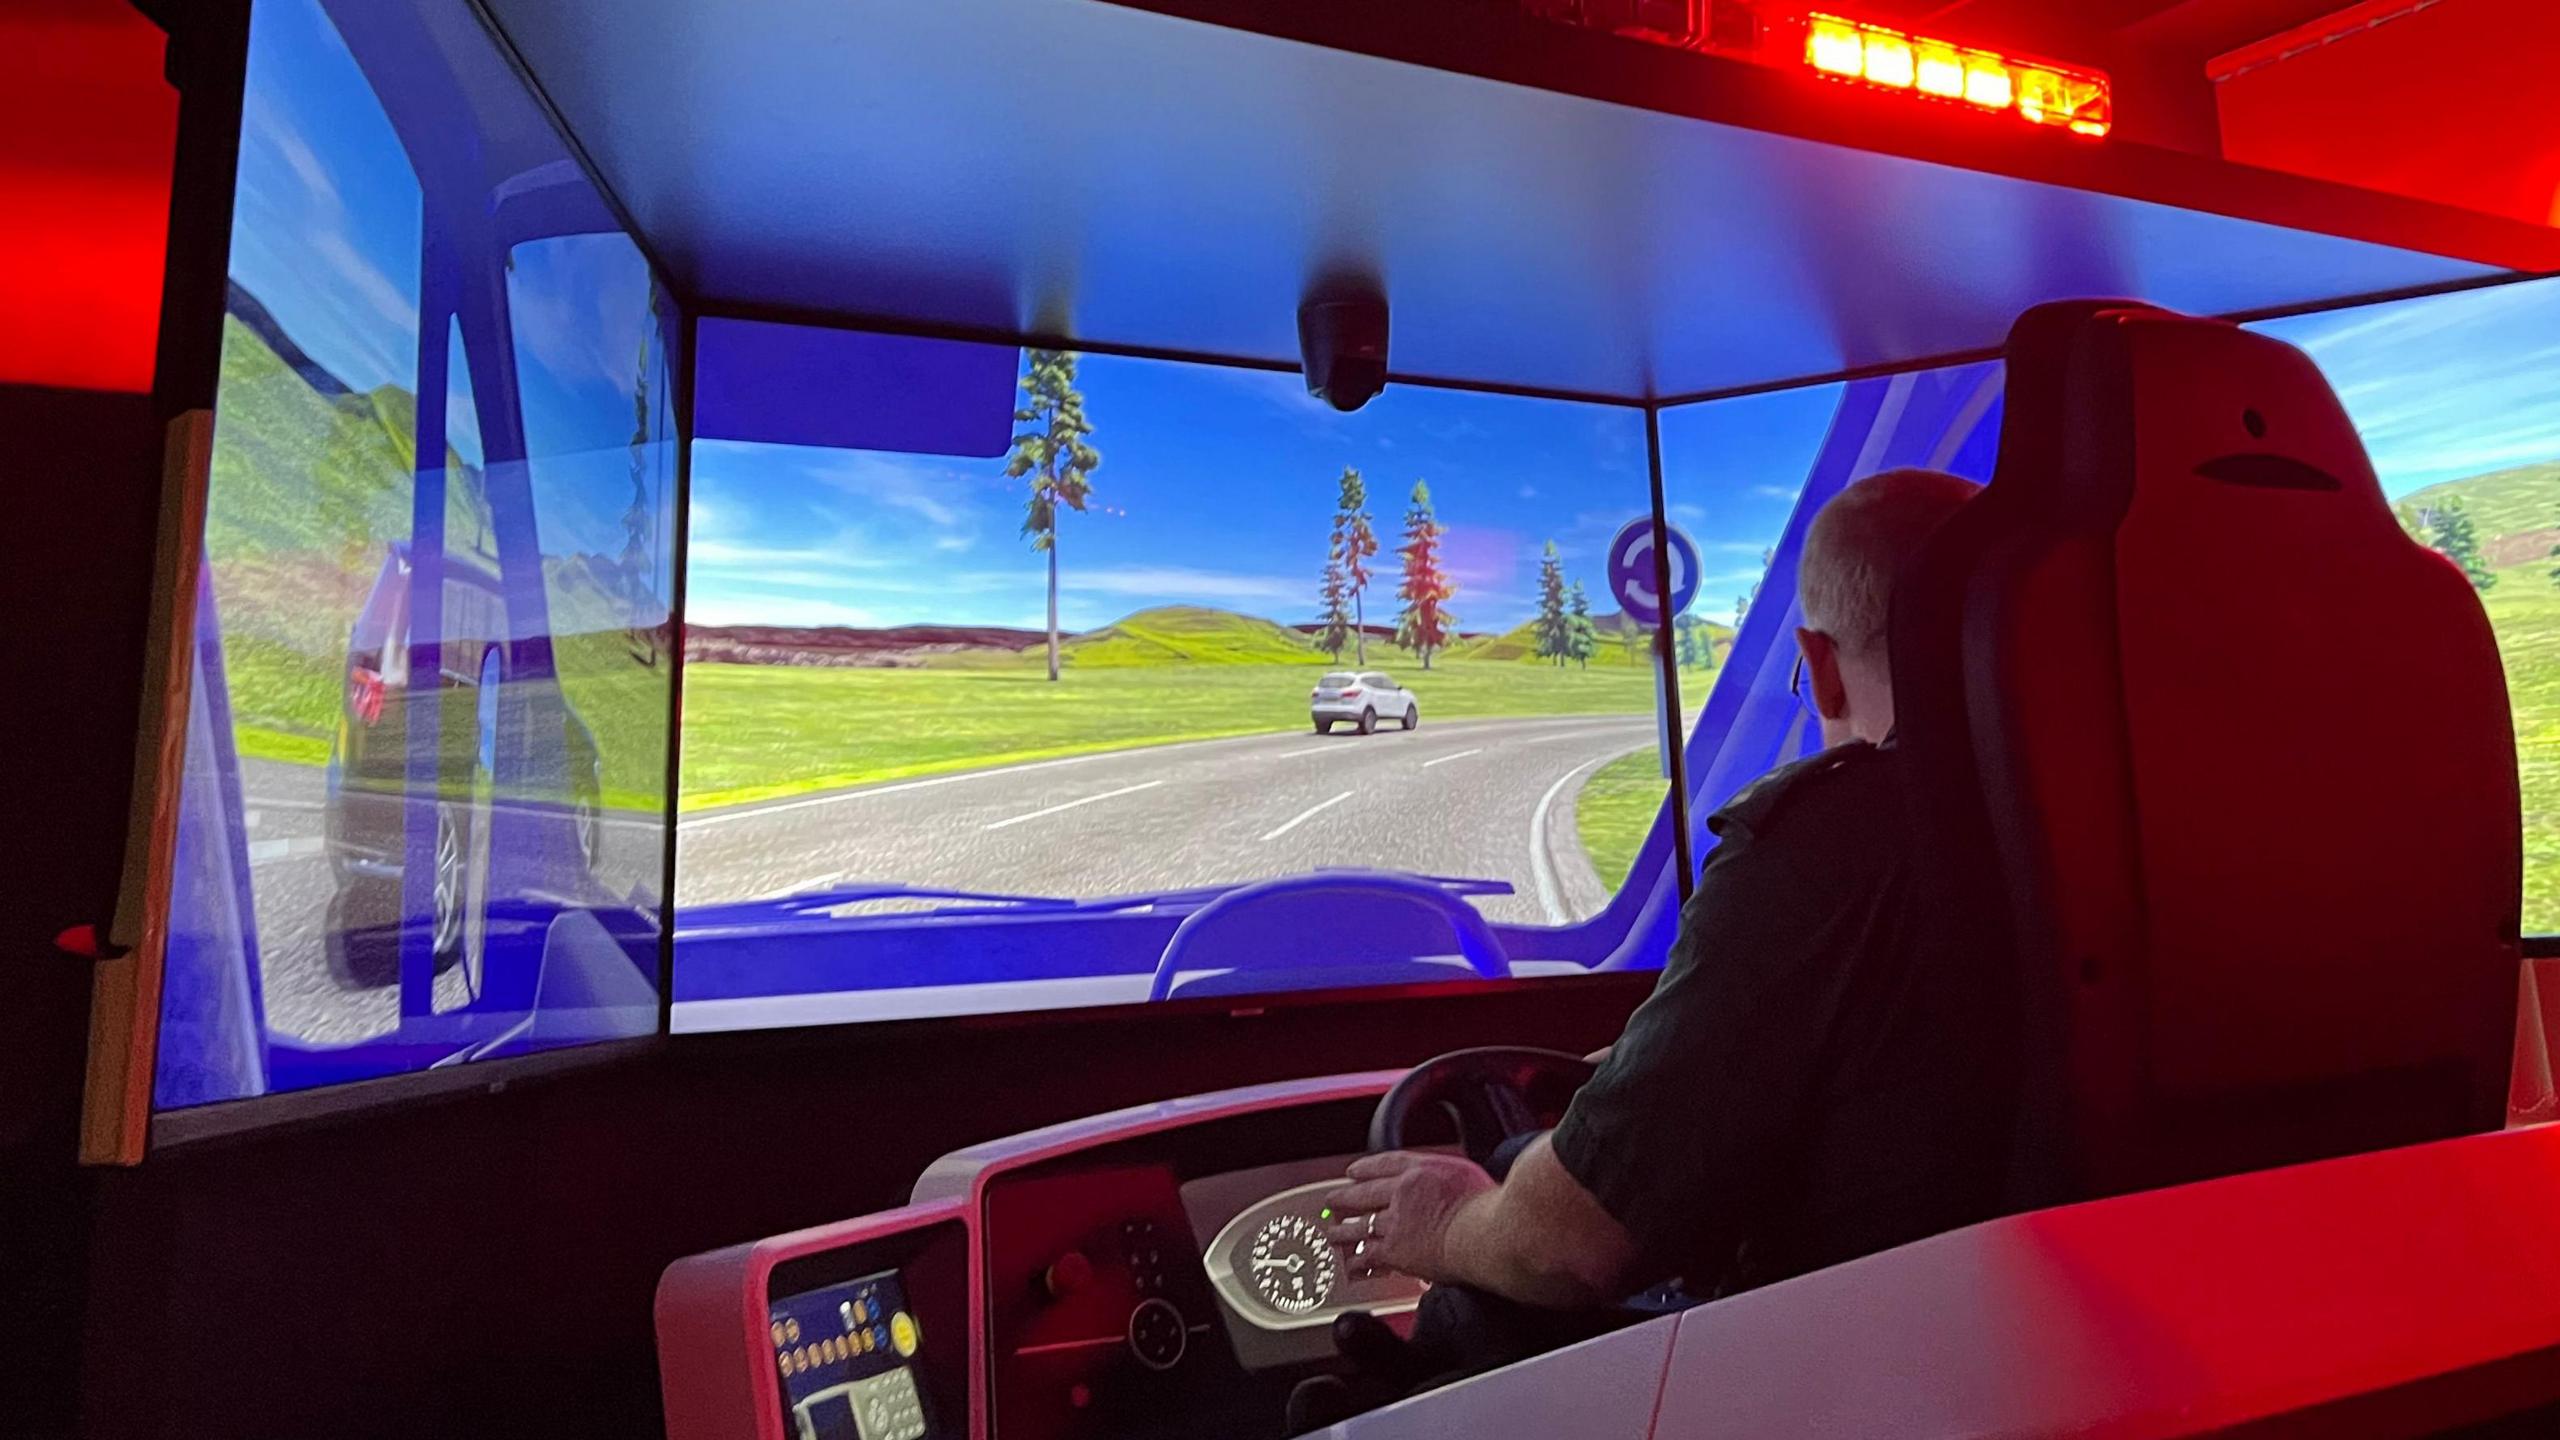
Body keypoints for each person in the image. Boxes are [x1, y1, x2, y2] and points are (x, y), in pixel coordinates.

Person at [1322, 467, 2012, 1333]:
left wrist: (1450, 1220)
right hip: (2049, 1336)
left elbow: (1571, 1245)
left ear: (1822, 669)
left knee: (1464, 1322)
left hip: (1850, 1366)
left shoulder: (1829, 844)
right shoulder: (2101, 816)